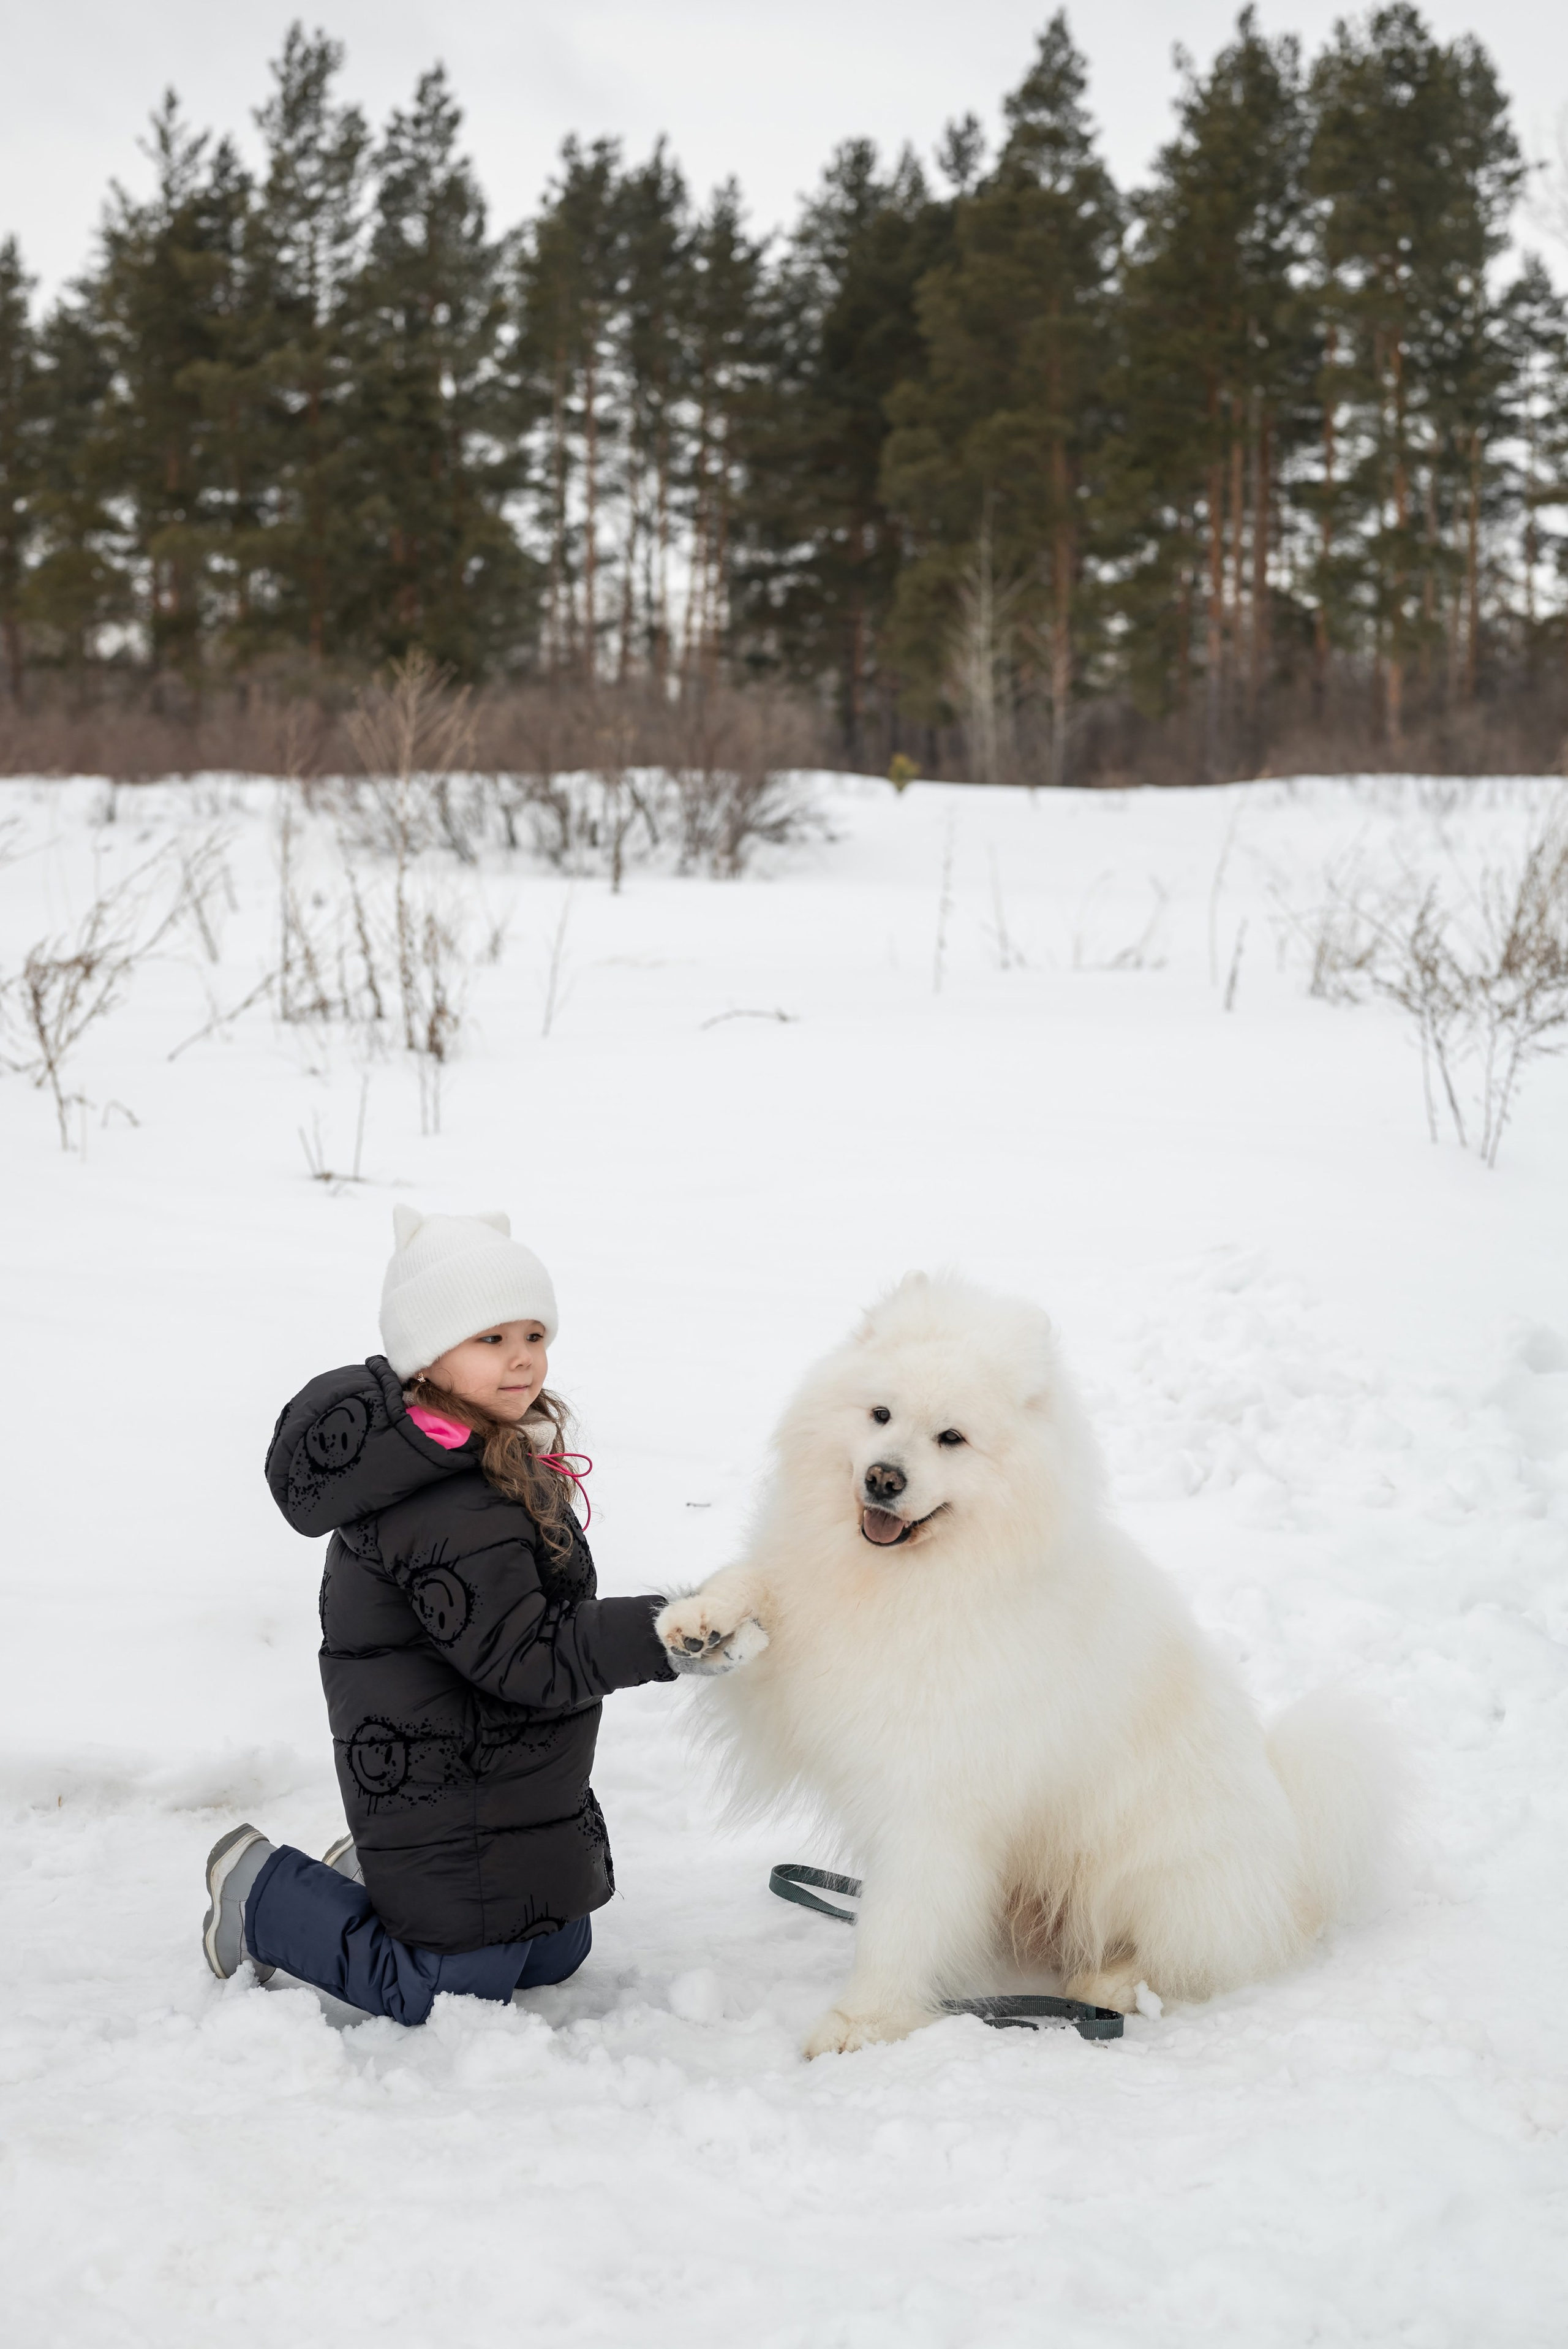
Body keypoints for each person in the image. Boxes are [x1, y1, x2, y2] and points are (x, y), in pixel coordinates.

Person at [202, 1206, 678, 2026]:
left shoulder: (497, 1457)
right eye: (490, 1338)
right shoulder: (441, 1500)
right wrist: (668, 1632)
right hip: (442, 1784)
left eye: (533, 1333)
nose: (523, 1355)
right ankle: (260, 1892)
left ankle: (373, 1881)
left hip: (502, 1776)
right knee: (441, 1990)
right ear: (428, 1355)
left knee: (561, 1951)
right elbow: (527, 1655)